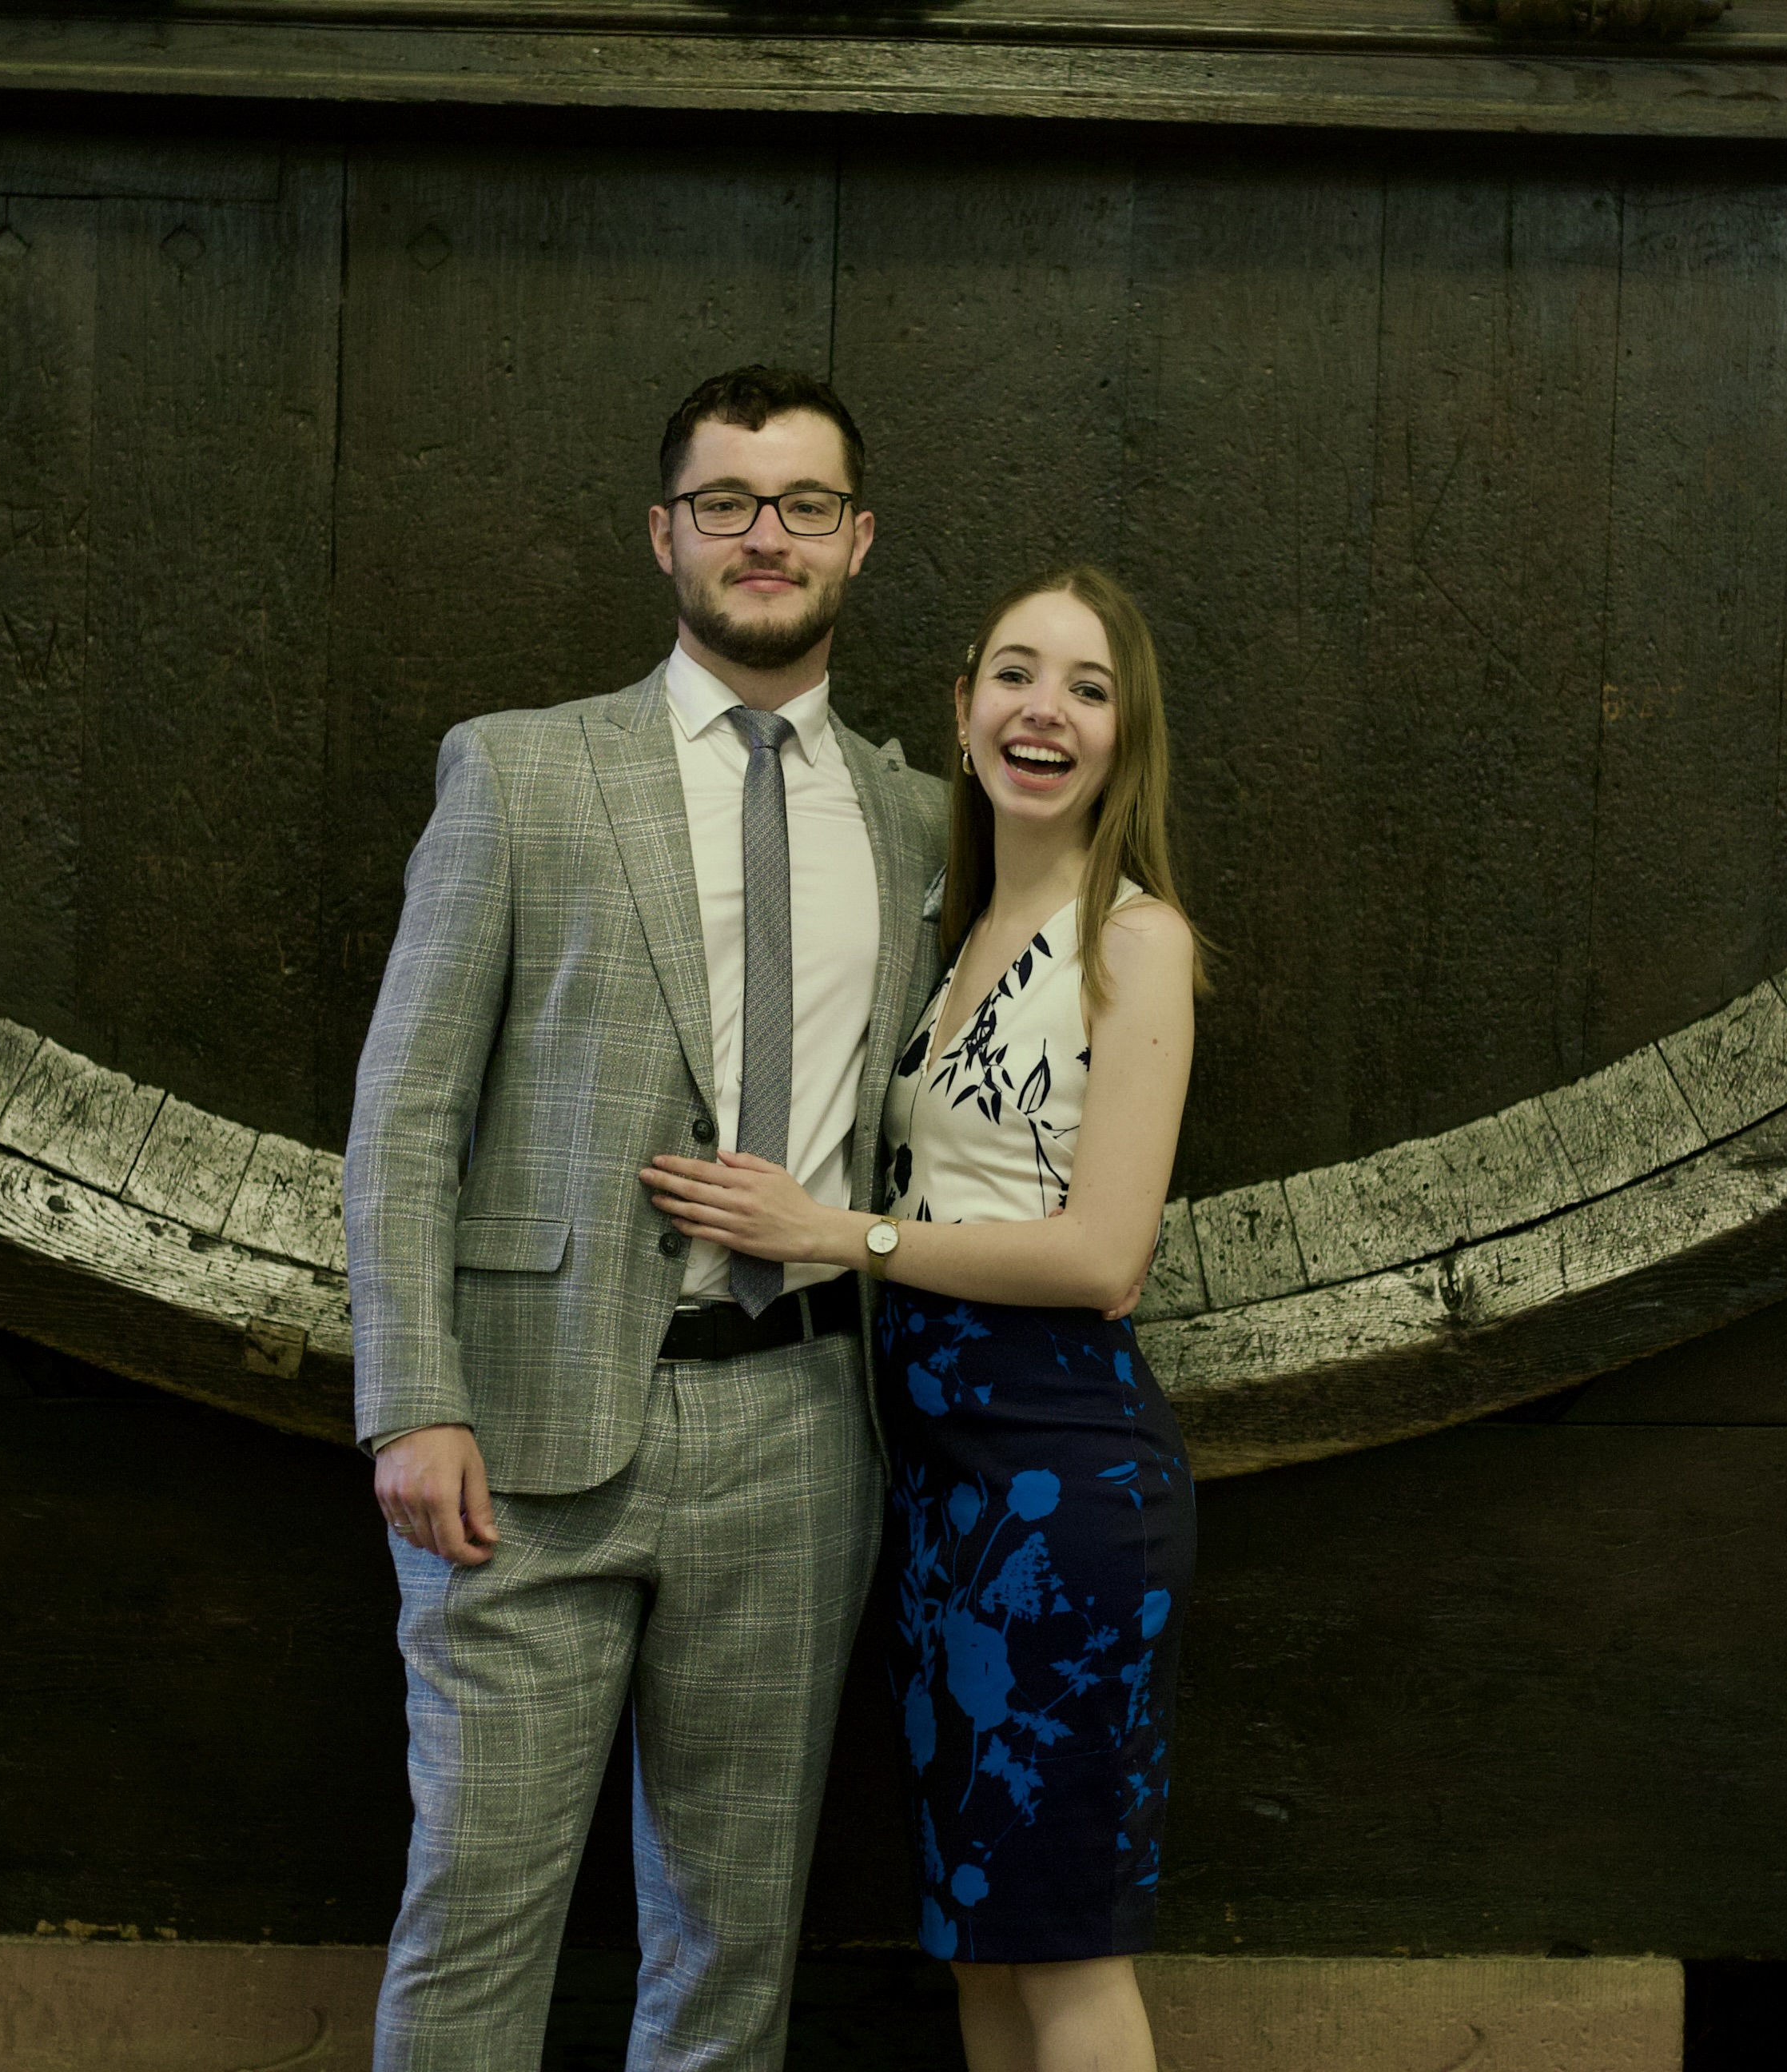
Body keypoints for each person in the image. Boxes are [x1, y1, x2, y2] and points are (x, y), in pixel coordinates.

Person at [347, 365, 947, 2072]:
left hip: (803, 1433)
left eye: (805, 505)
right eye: (727, 503)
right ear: (664, 535)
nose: (768, 536)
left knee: (731, 1945)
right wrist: (413, 1400)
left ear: (859, 540)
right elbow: (406, 1112)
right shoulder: (523, 772)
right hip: (522, 1433)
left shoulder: (919, 817)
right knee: (476, 1915)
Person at [641, 564, 1205, 2072]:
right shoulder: (954, 935)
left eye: (1089, 688)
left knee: (1066, 1954)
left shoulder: (1134, 939)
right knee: (980, 1948)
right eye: (1016, 674)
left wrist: (835, 1237)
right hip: (942, 1492)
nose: (1045, 711)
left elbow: (1104, 1255)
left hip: (1066, 1481)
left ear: (1126, 737)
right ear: (962, 712)